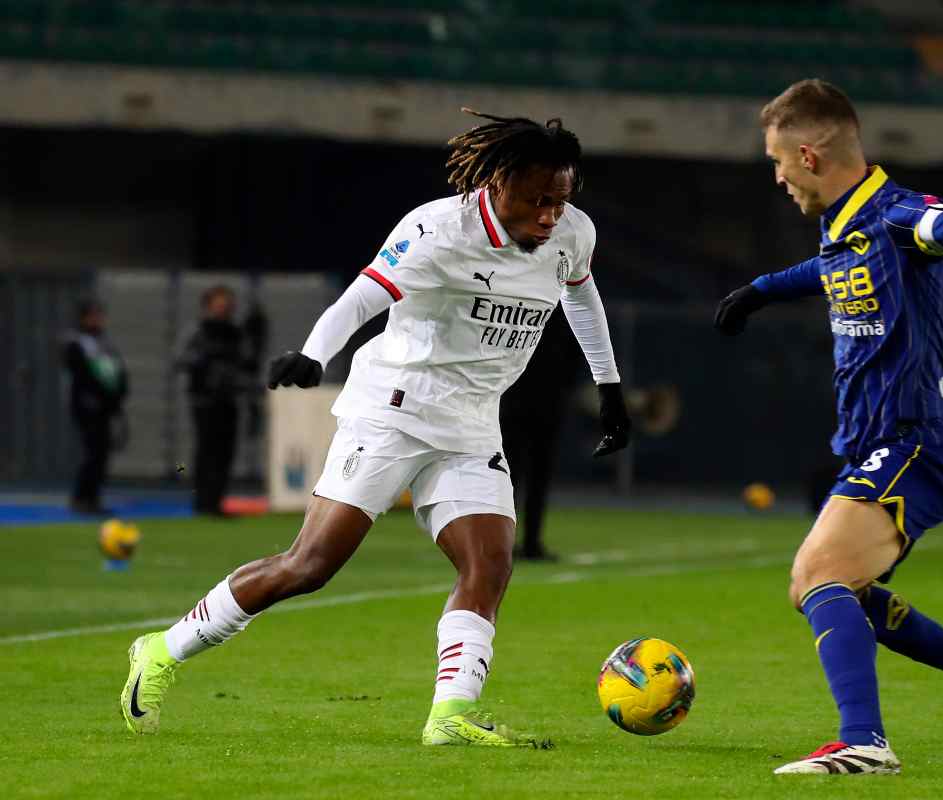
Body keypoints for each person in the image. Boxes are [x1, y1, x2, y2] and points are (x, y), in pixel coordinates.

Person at [120, 110, 631, 746]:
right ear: (500, 182)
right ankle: (163, 649)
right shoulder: (437, 229)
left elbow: (583, 298)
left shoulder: (571, 233)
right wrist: (314, 352)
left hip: (473, 423)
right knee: (310, 566)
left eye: (562, 199)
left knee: (489, 565)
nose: (551, 215)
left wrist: (609, 387)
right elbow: (366, 294)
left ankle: (449, 717)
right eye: (538, 200)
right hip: (393, 411)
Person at [714, 79, 943, 775]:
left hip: (916, 439)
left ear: (808, 155)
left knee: (817, 574)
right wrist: (762, 291)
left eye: (778, 161)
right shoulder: (845, 224)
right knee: (843, 590)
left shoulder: (901, 215)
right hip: (879, 445)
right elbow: (828, 266)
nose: (776, 176)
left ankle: (865, 741)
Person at [500, 307, 580, 561]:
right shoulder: (565, 313)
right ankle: (529, 543)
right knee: (534, 478)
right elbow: (574, 358)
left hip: (517, 400)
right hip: (546, 402)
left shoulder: (520, 305)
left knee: (510, 478)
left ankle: (504, 544)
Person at [178, 286, 264, 515]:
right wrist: (204, 359)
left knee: (225, 453)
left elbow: (248, 365)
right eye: (220, 304)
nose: (224, 309)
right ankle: (202, 502)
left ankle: (215, 502)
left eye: (228, 305)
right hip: (204, 401)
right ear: (208, 306)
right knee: (206, 451)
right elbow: (182, 359)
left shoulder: (236, 333)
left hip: (229, 400)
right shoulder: (198, 331)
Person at [62, 300, 128, 514]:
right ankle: (82, 497)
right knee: (92, 453)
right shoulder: (76, 342)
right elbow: (81, 374)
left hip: (106, 406)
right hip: (87, 406)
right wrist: (96, 396)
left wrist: (117, 396)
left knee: (101, 453)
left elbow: (118, 371)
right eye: (93, 316)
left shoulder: (105, 342)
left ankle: (93, 497)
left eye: (99, 315)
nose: (98, 320)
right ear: (83, 318)